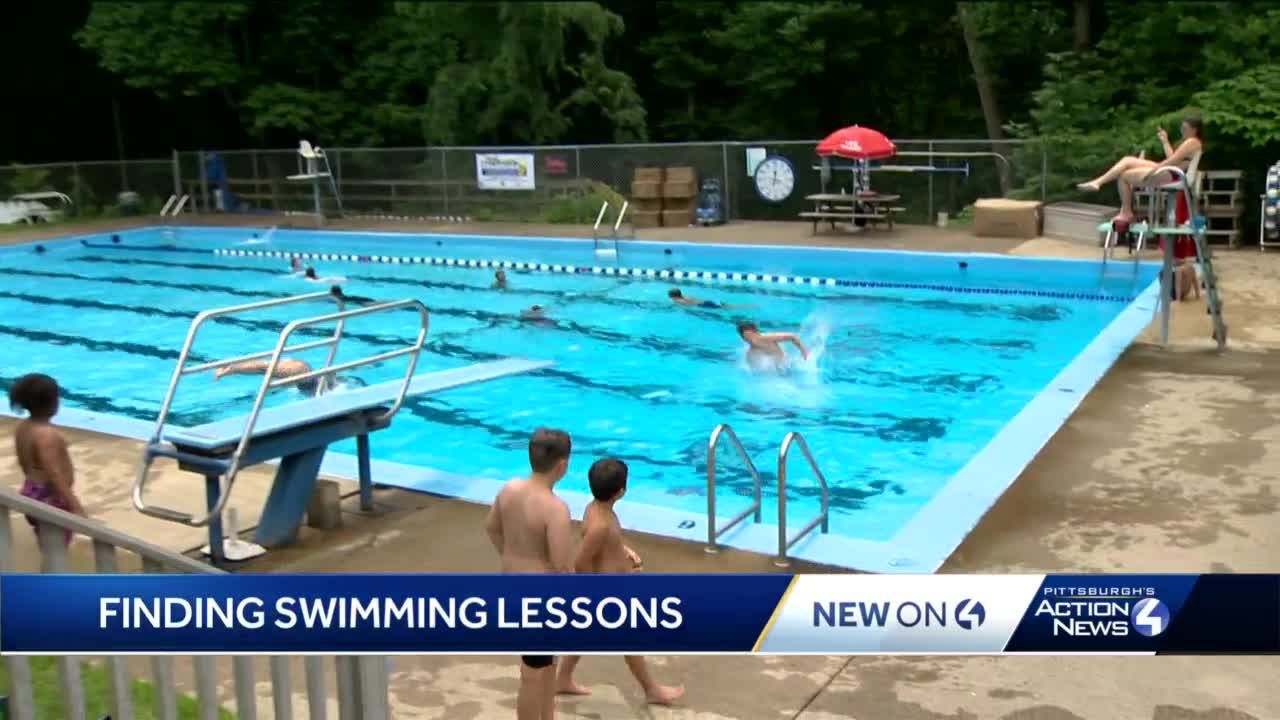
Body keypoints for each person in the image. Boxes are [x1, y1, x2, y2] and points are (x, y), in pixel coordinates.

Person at [556, 458, 684, 705]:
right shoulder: (601, 525)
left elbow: (606, 544)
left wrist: (623, 551)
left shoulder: (597, 510)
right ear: (621, 491)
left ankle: (562, 678)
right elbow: (581, 561)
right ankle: (651, 689)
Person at [484, 428, 575, 720]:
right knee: (533, 672)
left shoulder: (509, 489)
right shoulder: (555, 509)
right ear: (562, 466)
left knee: (545, 662)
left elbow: (492, 527)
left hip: (512, 583)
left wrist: (512, 557)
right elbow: (562, 565)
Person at [9, 374, 85, 556]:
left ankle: (49, 569)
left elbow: (24, 461)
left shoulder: (23, 428)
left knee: (48, 543)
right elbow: (54, 473)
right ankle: (51, 577)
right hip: (50, 497)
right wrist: (74, 505)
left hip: (31, 491)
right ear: (52, 403)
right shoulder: (46, 434)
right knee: (56, 549)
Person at [1077, 115, 1204, 224]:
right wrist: (1165, 141)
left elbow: (1172, 161)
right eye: (1181, 128)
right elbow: (1173, 158)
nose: (1182, 130)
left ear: (1194, 130)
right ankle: (1098, 182)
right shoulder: (1191, 141)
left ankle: (1126, 211)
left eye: (1185, 128)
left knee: (1124, 176)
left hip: (1174, 174)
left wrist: (1153, 171)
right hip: (1171, 170)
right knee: (1127, 160)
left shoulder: (1192, 142)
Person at [214, 357, 333, 396]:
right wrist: (233, 368)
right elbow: (262, 368)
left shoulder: (302, 374)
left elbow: (262, 368)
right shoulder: (307, 381)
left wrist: (233, 368)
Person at [737, 321, 808, 372]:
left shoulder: (767, 338)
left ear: (757, 333)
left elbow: (792, 336)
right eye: (747, 338)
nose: (751, 340)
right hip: (778, 370)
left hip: (787, 365)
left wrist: (803, 350)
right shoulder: (750, 353)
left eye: (751, 336)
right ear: (743, 339)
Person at [667, 288, 751, 310]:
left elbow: (687, 306)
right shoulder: (685, 296)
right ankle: (748, 305)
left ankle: (746, 306)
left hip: (705, 305)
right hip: (708, 301)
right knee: (732, 306)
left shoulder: (677, 300)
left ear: (672, 296)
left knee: (730, 308)